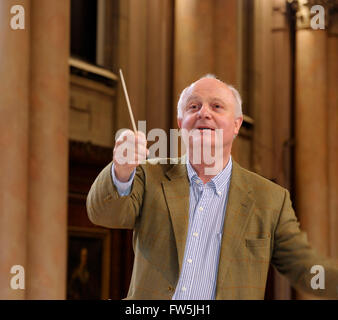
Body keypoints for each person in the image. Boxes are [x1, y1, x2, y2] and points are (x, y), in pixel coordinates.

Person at [86, 74, 338, 299]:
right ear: (180, 121)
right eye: (193, 106)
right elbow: (103, 214)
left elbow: (303, 267)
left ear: (237, 124)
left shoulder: (271, 199)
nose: (203, 113)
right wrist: (121, 169)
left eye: (217, 106)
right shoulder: (149, 175)